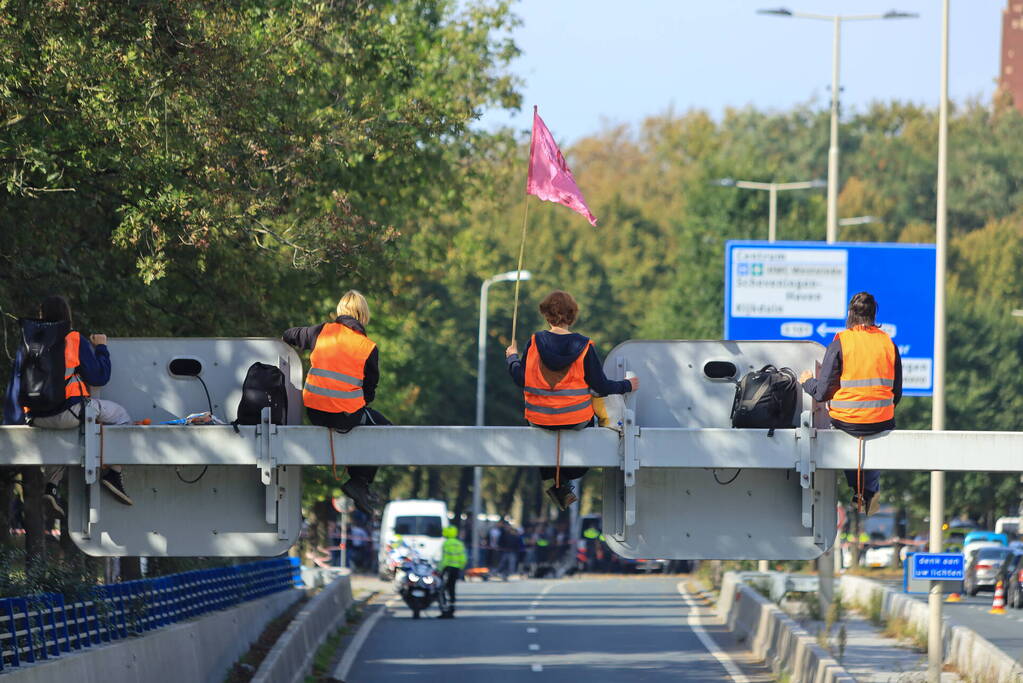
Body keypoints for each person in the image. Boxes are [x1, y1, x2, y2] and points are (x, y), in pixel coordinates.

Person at [506, 290, 638, 510]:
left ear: (546, 315)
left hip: (539, 419)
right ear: (572, 315)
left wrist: (512, 359)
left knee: (543, 438)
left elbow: (521, 379)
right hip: (576, 420)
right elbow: (601, 387)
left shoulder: (535, 343)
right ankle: (565, 478)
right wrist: (627, 385)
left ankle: (553, 477)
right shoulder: (585, 347)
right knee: (587, 436)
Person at [283, 290, 391, 516]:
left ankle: (358, 481)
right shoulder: (367, 347)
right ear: (363, 316)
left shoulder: (322, 332)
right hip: (345, 416)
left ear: (341, 311)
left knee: (365, 418)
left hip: (314, 412)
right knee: (385, 430)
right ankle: (359, 481)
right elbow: (369, 392)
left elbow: (289, 334)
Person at [800, 292, 902, 516]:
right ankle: (869, 491)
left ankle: (856, 489)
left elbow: (822, 392)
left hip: (846, 422)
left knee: (846, 436)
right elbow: (897, 393)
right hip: (881, 420)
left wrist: (807, 382)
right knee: (873, 438)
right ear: (874, 316)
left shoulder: (840, 344)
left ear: (850, 315)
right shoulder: (888, 344)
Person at [26, 295, 133, 507]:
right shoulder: (74, 339)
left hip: (35, 416)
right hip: (69, 412)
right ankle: (113, 473)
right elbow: (99, 377)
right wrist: (101, 347)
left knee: (65, 434)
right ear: (67, 315)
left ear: (42, 316)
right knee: (121, 416)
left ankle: (51, 487)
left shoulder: (32, 341)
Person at [436, 525, 467, 618]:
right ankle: (452, 608)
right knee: (452, 588)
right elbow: (463, 557)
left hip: (447, 569)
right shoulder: (459, 543)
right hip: (456, 569)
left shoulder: (447, 543)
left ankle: (445, 609)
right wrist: (461, 567)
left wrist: (439, 569)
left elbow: (445, 558)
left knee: (442, 589)